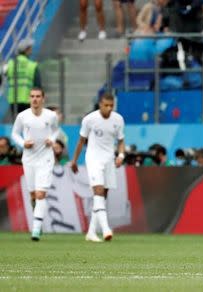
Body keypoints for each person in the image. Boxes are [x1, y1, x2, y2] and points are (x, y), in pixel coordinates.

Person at [70, 93, 125, 242]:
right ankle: (106, 229)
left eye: (111, 106)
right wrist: (74, 160)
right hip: (93, 158)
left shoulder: (118, 119)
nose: (109, 108)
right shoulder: (89, 119)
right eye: (106, 105)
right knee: (98, 192)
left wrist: (121, 156)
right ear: (100, 104)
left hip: (109, 159)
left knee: (102, 196)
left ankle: (91, 232)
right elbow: (81, 141)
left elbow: (120, 141)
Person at [11, 88, 59, 241]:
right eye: (32, 96)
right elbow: (14, 134)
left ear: (43, 99)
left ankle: (36, 229)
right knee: (33, 195)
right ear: (29, 98)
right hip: (29, 159)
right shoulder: (22, 116)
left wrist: (51, 139)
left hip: (45, 158)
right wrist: (23, 143)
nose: (35, 99)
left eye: (38, 96)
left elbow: (56, 131)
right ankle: (37, 213)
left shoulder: (51, 116)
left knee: (40, 194)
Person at [6, 38, 41, 117]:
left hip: (13, 100)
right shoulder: (32, 65)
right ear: (27, 50)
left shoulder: (10, 64)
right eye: (30, 48)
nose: (31, 50)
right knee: (27, 125)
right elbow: (38, 86)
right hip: (28, 100)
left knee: (16, 125)